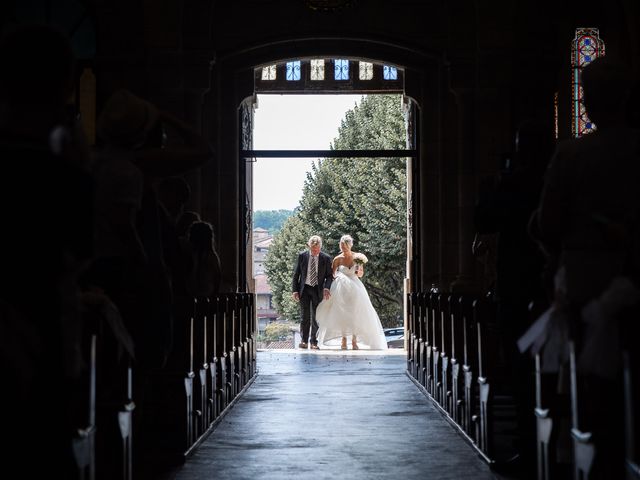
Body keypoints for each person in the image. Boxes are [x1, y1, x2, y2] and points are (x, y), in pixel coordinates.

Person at [316, 234, 388, 350]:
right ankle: (344, 339)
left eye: (345, 246)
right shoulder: (337, 259)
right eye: (342, 246)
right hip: (341, 288)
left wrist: (359, 270)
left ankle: (354, 340)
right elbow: (332, 275)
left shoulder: (358, 257)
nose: (343, 248)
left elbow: (360, 274)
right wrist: (330, 287)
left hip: (355, 288)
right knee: (342, 313)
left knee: (356, 312)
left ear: (350, 245)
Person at [291, 235, 333, 349]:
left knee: (316, 317)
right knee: (305, 316)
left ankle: (314, 342)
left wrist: (326, 288)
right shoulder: (302, 256)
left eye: (317, 249)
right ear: (309, 246)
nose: (314, 251)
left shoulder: (326, 258)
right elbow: (296, 274)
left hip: (318, 289)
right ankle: (304, 341)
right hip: (304, 289)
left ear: (320, 247)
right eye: (312, 249)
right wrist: (295, 290)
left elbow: (329, 276)